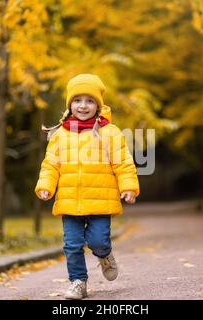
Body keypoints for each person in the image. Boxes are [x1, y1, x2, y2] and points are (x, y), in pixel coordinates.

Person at [35, 73, 140, 299]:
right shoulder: (59, 135)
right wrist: (46, 185)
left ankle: (105, 254)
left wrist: (129, 187)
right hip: (69, 200)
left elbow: (123, 162)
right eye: (78, 100)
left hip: (100, 201)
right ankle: (78, 282)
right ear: (70, 104)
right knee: (71, 245)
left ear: (98, 105)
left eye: (90, 101)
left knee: (98, 241)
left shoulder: (110, 132)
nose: (83, 106)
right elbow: (50, 165)